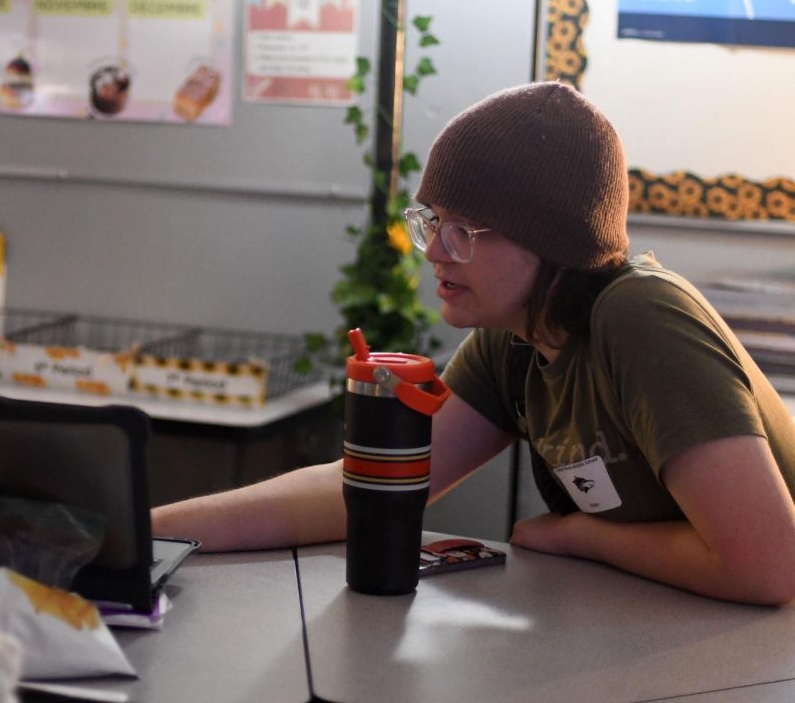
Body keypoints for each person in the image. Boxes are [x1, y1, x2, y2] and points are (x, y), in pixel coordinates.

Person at [153, 82, 795, 606]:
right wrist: (143, 532)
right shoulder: (514, 343)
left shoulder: (641, 317)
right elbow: (363, 490)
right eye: (431, 222)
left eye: (462, 231)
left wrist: (579, 535)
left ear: (551, 242)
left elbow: (766, 569)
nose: (433, 251)